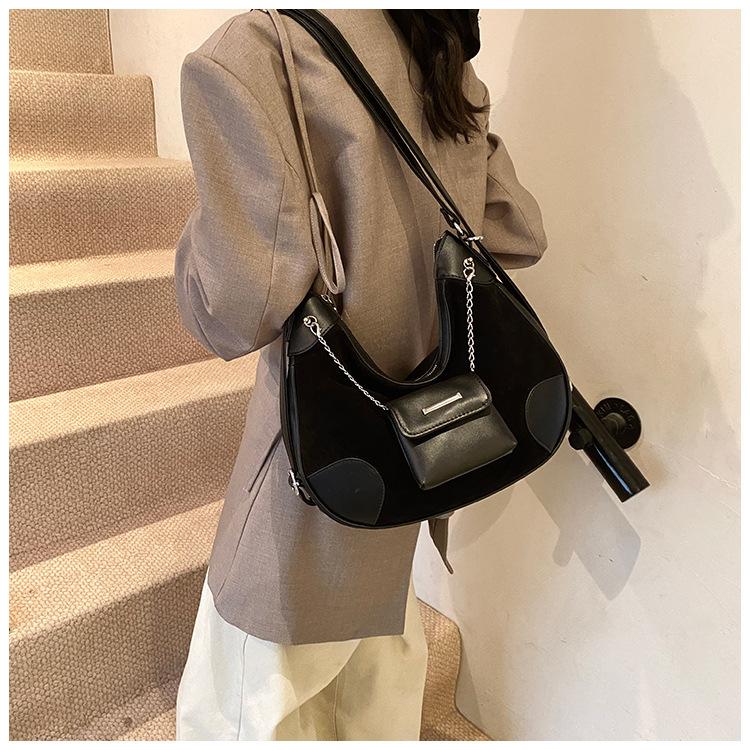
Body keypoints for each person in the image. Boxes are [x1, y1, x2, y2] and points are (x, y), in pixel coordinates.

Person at [173, 9, 547, 741]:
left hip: (310, 475)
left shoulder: (255, 53)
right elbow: (514, 231)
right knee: (375, 703)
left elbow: (235, 305)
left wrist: (197, 244)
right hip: (414, 455)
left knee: (250, 705)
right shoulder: (438, 50)